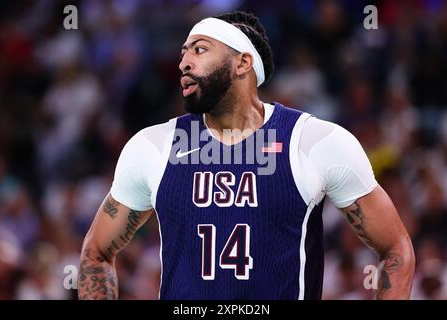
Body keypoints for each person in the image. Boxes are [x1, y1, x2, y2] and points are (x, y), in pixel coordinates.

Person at [78, 11, 415, 300]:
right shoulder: (152, 146)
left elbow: (396, 248)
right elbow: (95, 253)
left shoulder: (315, 141)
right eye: (183, 53)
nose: (184, 62)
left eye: (200, 49)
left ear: (242, 62)